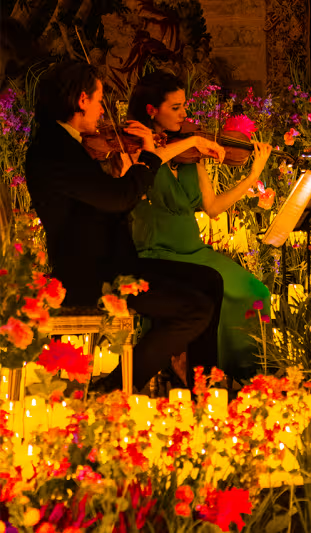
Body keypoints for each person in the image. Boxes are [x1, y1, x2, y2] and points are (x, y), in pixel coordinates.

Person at [25, 60, 224, 393]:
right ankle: (114, 390)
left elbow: (102, 199)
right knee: (194, 309)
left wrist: (121, 170)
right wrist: (147, 157)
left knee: (209, 281)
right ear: (81, 100)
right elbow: (118, 199)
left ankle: (201, 389)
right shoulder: (54, 150)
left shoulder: (66, 143)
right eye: (99, 99)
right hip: (90, 276)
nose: (103, 110)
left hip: (114, 264)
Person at [127, 70, 272, 380]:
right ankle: (200, 371)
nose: (185, 114)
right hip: (158, 252)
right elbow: (149, 161)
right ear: (152, 110)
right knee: (209, 294)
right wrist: (193, 139)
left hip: (194, 249)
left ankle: (242, 373)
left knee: (255, 291)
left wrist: (252, 175)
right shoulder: (138, 144)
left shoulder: (193, 153)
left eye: (185, 106)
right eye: (175, 107)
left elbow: (213, 207)